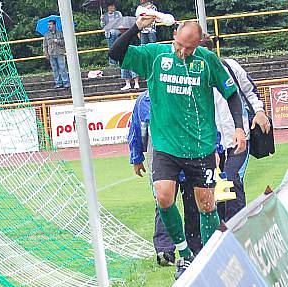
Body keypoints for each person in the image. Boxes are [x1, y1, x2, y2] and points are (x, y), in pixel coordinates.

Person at [109, 18, 246, 279]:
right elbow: (115, 53)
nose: (182, 52)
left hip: (200, 145)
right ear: (174, 36)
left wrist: (239, 127)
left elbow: (231, 93)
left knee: (206, 205)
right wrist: (137, 28)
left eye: (189, 48)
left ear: (198, 45)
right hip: (165, 146)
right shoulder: (156, 55)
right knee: (163, 196)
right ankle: (183, 254)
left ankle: (209, 254)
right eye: (180, 45)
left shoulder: (207, 61)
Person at [200, 36, 271, 221]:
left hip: (238, 138)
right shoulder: (191, 75)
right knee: (216, 187)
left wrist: (259, 112)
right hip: (210, 143)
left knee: (231, 179)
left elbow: (250, 91)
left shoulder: (230, 67)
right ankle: (221, 229)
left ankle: (238, 228)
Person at [128, 91, 202, 266]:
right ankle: (165, 250)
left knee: (193, 202)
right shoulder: (144, 100)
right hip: (161, 159)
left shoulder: (186, 92)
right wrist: (136, 157)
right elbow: (137, 130)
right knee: (163, 204)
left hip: (189, 154)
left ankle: (195, 247)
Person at [43, 20, 70, 89]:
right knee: (55, 69)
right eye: (48, 25)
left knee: (62, 68)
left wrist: (57, 41)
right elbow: (45, 45)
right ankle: (58, 83)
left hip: (59, 53)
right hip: (51, 54)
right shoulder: (46, 35)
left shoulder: (60, 33)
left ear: (54, 25)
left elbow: (64, 42)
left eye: (51, 24)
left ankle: (66, 82)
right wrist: (46, 53)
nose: (49, 26)